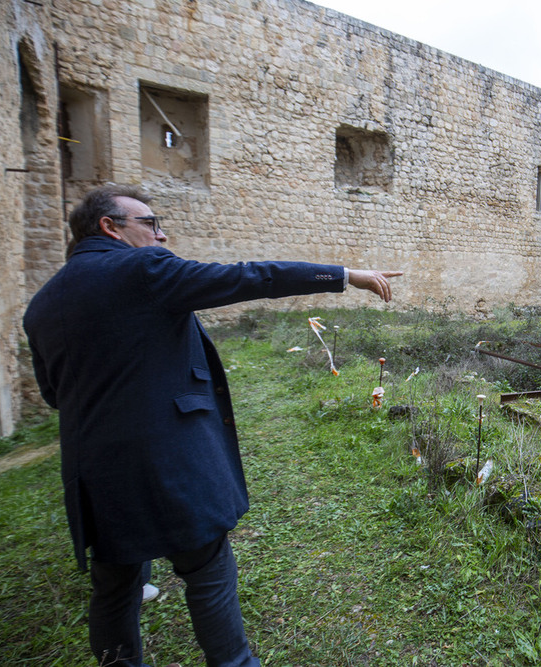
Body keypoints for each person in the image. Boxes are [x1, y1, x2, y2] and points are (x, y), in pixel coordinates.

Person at [23, 184, 401, 667]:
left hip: (93, 470)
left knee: (115, 585)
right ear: (110, 227)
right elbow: (251, 277)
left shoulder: (41, 304)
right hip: (168, 465)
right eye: (151, 224)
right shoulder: (143, 269)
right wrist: (347, 275)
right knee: (207, 571)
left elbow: (56, 395)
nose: (161, 236)